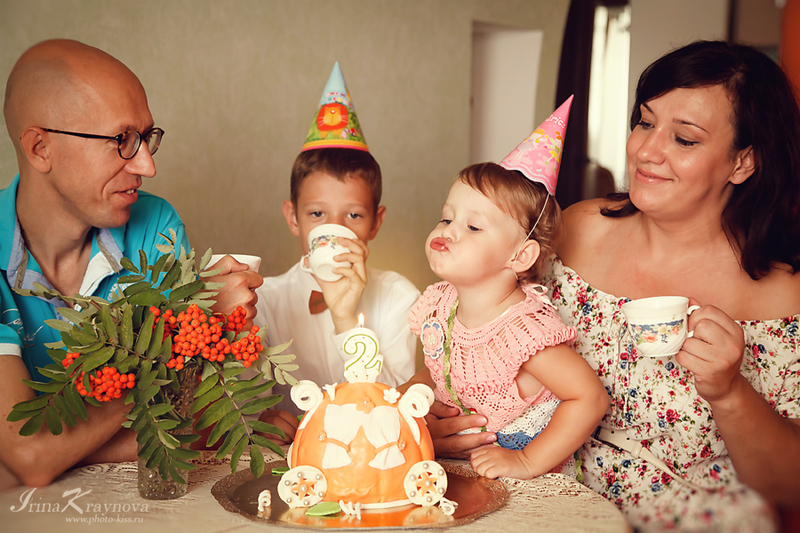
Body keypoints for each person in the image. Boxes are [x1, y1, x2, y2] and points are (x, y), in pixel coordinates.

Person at [431, 40, 800, 531]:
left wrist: (730, 392)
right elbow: (471, 326)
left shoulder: (782, 294)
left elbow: (788, 486)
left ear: (743, 162)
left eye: (684, 139)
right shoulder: (577, 230)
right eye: (645, 122)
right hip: (532, 492)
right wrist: (434, 416)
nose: (646, 151)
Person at [0, 39, 262, 489]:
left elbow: (198, 421)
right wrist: (187, 328)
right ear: (40, 148)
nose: (147, 165)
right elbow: (30, 452)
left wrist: (54, 452)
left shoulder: (155, 224)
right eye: (121, 140)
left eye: (146, 137)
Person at [402, 100, 609, 480]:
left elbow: (589, 398)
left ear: (520, 256)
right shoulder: (441, 303)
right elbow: (441, 367)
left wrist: (526, 461)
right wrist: (405, 395)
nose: (449, 231)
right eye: (446, 218)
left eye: (473, 227)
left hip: (525, 473)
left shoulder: (524, 331)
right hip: (460, 464)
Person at [254, 63, 418, 443]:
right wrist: (260, 419)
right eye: (317, 214)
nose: (335, 229)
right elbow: (241, 407)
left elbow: (395, 413)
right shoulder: (263, 301)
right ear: (293, 218)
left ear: (376, 223)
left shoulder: (400, 297)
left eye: (354, 215)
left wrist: (345, 320)